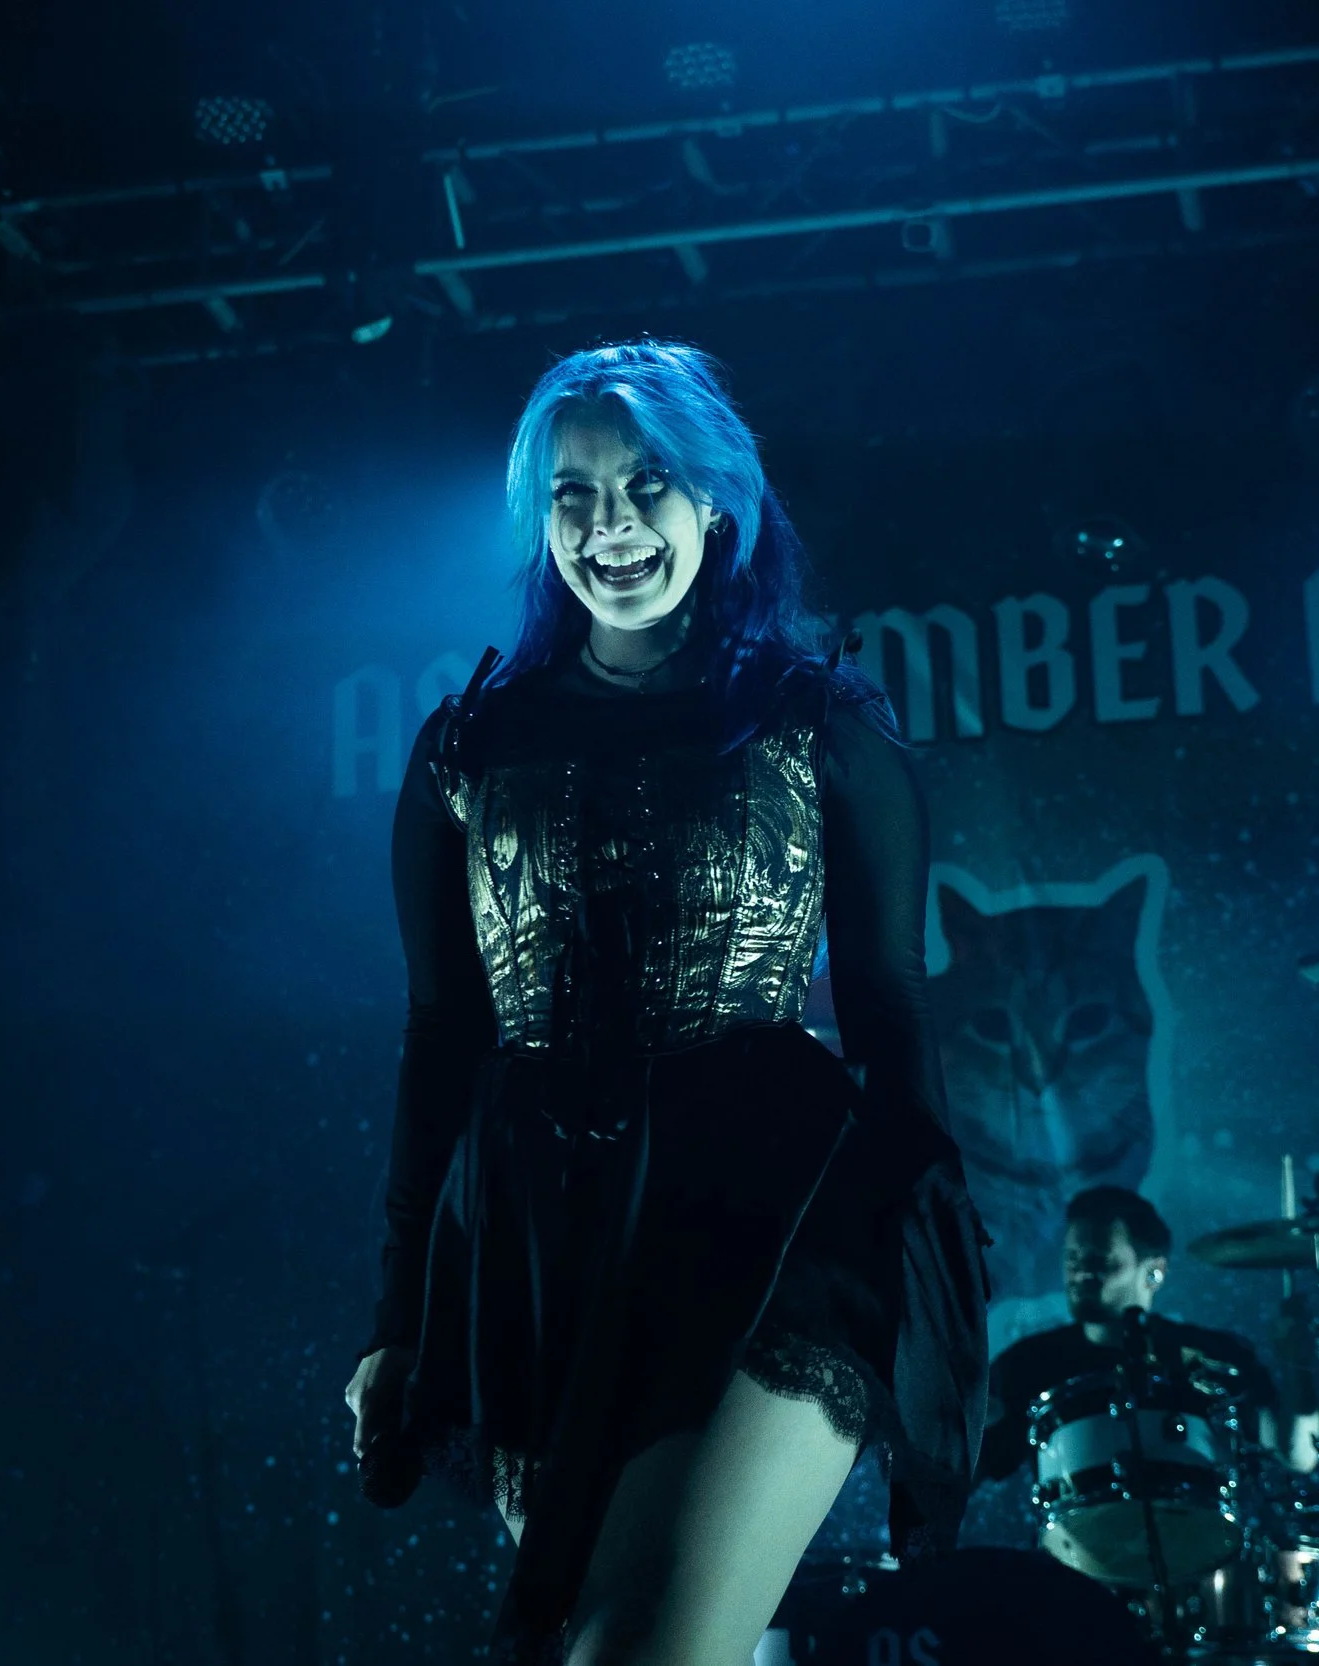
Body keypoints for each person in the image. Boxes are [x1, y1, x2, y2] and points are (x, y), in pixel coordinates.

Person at [342, 340, 990, 1666]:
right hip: (542, 1238)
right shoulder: (470, 749)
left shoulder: (821, 728)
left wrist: (940, 1285)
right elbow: (441, 1043)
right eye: (572, 493)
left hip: (772, 1221)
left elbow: (890, 1013)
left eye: (645, 483)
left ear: (718, 502)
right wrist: (399, 1317)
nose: (611, 524)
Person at [980, 1186, 1316, 1547]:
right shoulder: (1027, 1364)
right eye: (1072, 1259)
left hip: (1198, 1557)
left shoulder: (1215, 1355)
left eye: (1100, 1261)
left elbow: (1298, 1455)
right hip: (1076, 1564)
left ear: (1154, 1272)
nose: (1080, 1275)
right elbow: (974, 1468)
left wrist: (1300, 1362)